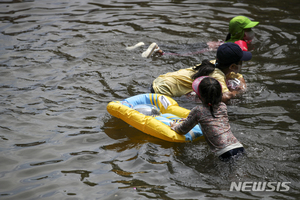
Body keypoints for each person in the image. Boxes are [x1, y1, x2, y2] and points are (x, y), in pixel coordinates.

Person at [169, 76, 245, 162]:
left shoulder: (198, 111)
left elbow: (182, 130)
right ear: (221, 94)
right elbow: (212, 120)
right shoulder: (223, 107)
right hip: (238, 147)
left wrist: (175, 126)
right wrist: (189, 120)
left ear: (199, 96)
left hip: (224, 152)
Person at [151, 42, 252, 104]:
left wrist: (242, 85)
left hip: (161, 80)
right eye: (241, 62)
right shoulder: (216, 75)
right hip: (163, 91)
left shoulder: (215, 63)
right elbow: (224, 98)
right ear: (233, 67)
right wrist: (236, 92)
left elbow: (238, 76)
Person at [137, 16, 259, 58]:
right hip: (208, 48)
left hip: (210, 44)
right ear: (241, 32)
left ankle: (144, 45)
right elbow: (242, 56)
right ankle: (160, 51)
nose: (252, 31)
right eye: (248, 29)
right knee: (180, 53)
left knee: (180, 47)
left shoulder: (232, 37)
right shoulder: (240, 43)